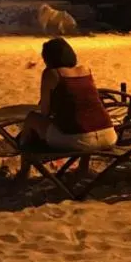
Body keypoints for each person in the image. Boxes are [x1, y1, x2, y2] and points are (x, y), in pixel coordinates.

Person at [14, 38, 117, 183]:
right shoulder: (85, 70)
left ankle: (24, 171)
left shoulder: (52, 74)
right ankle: (83, 169)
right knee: (85, 117)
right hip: (109, 135)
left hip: (77, 140)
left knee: (32, 118)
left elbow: (44, 112)